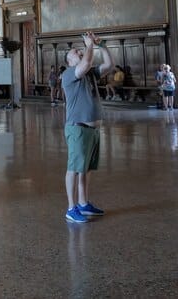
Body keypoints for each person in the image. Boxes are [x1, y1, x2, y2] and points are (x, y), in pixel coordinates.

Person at [62, 33, 114, 224]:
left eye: (80, 50)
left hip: (92, 130)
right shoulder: (68, 74)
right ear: (70, 61)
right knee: (74, 169)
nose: (80, 51)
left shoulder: (89, 73)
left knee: (86, 169)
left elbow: (109, 65)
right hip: (78, 128)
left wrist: (102, 45)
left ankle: (83, 204)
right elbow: (85, 63)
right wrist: (90, 45)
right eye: (76, 52)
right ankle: (71, 208)